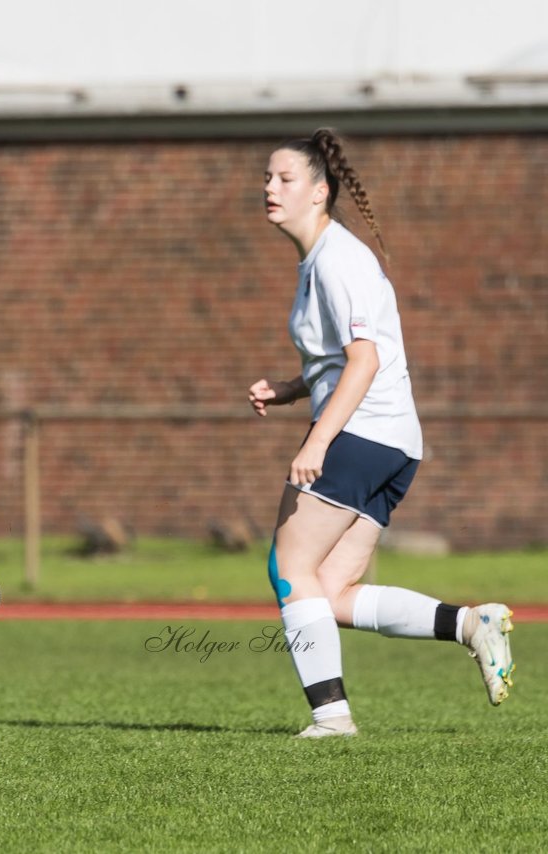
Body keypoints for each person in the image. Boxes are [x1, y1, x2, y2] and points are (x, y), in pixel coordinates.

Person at [250, 128, 515, 738]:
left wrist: (316, 442)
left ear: (319, 191)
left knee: (289, 566)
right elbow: (342, 358)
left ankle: (331, 717)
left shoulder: (338, 259)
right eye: (267, 178)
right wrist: (291, 390)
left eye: (284, 179)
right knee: (332, 589)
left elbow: (365, 360)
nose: (270, 188)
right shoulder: (319, 259)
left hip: (361, 433)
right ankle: (473, 625)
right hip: (394, 440)